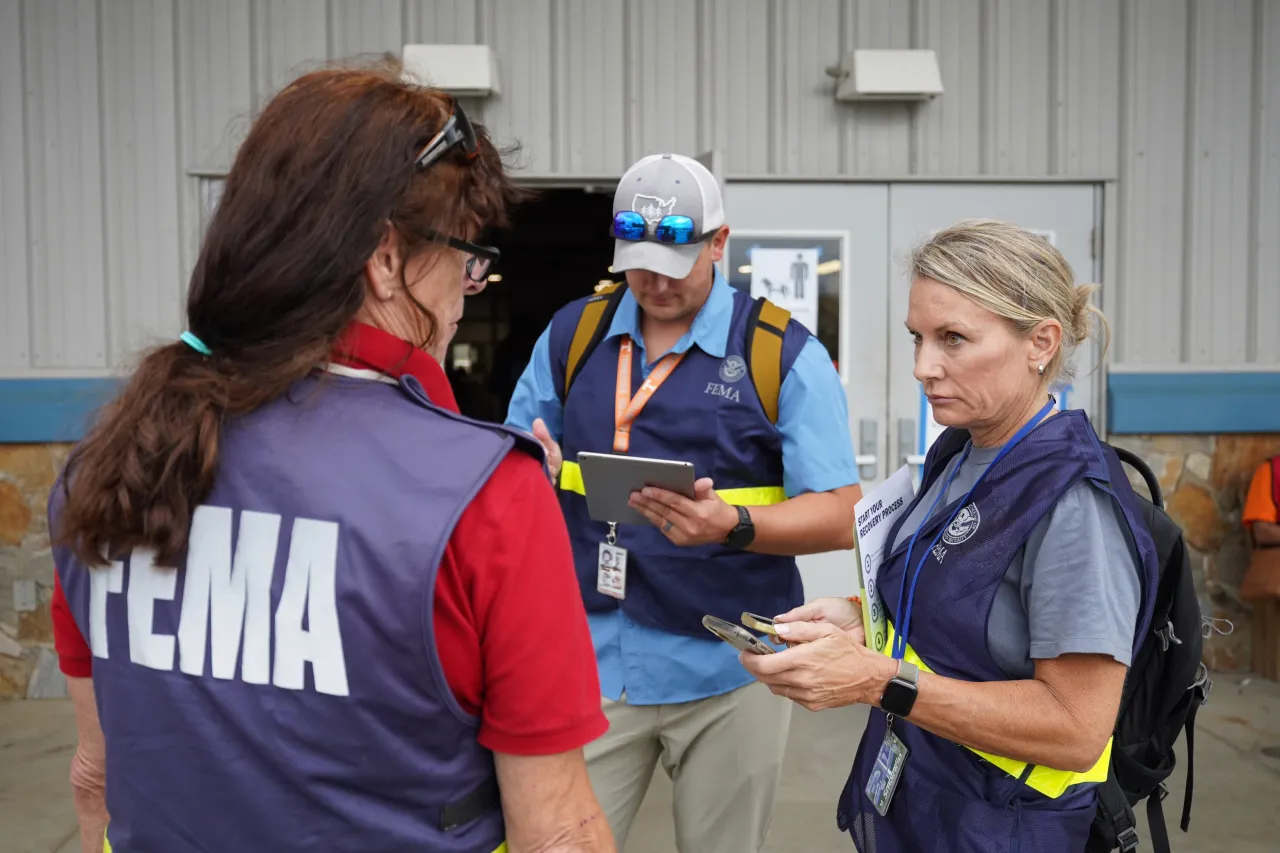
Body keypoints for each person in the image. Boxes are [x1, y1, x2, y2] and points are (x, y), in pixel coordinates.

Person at [47, 62, 614, 853]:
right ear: (385, 259)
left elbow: (96, 776)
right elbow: (560, 833)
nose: (466, 290)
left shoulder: (109, 464)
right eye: (464, 256)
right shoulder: (490, 498)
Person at [741, 220, 1160, 853]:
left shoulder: (1074, 506)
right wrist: (858, 622)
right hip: (929, 804)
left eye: (953, 339)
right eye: (918, 338)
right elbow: (970, 613)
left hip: (1005, 829)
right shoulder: (961, 449)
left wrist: (875, 681)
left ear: (1041, 342)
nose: (922, 366)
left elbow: (1076, 729)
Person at [504, 152, 862, 853]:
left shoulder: (780, 354)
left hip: (730, 669)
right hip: (594, 660)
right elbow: (516, 447)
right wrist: (528, 467)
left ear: (719, 243)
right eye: (638, 263)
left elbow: (844, 511)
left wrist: (735, 525)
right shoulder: (574, 336)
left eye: (674, 263)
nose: (653, 282)